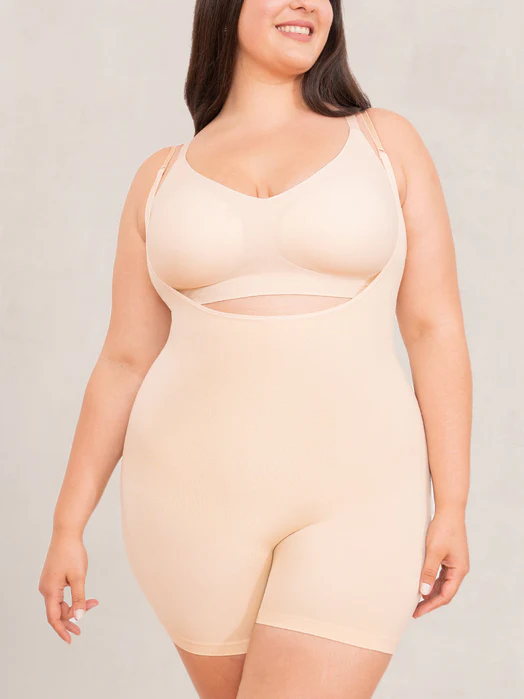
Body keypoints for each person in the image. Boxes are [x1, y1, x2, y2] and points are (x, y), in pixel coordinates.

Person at [38, 1, 472, 697]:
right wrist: (68, 524)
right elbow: (124, 361)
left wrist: (452, 502)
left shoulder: (385, 143)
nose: (307, 3)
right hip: (186, 504)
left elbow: (434, 327)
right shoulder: (160, 177)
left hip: (360, 497)